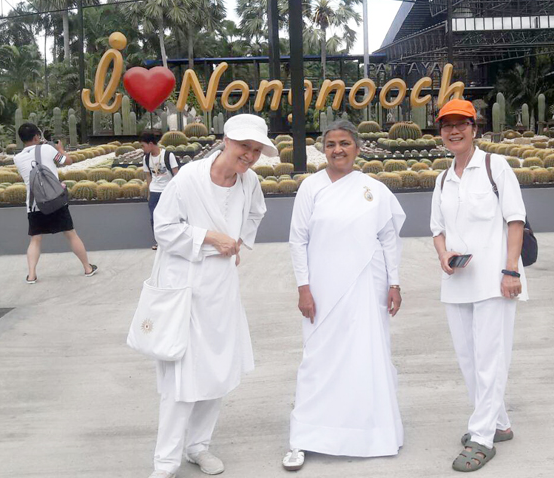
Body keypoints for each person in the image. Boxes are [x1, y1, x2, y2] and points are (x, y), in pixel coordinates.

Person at [148, 114, 277, 478]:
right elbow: (163, 228)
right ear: (226, 141)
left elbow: (256, 213)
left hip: (221, 287)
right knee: (180, 379)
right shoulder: (189, 178)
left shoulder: (249, 182)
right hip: (183, 286)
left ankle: (197, 446)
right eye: (244, 146)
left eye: (256, 150)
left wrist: (237, 243)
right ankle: (165, 463)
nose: (249, 155)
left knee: (217, 370)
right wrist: (210, 237)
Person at [283, 119, 406, 471]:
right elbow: (298, 240)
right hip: (322, 289)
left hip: (368, 286)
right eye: (331, 144)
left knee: (367, 355)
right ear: (324, 149)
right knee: (317, 359)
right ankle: (305, 436)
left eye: (344, 143)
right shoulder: (311, 188)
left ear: (357, 147)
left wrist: (394, 284)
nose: (338, 150)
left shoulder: (374, 189)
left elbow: (388, 239)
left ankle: (373, 434)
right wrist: (304, 287)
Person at [429, 99, 527, 472]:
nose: (454, 131)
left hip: (494, 281)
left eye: (461, 124)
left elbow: (515, 220)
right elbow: (437, 229)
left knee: (490, 359)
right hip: (457, 281)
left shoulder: (494, 166)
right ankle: (498, 423)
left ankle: (482, 436)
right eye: (447, 125)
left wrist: (511, 271)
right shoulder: (442, 179)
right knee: (469, 359)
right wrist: (443, 255)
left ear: (474, 128)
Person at [13, 122, 97, 284]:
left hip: (34, 203)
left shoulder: (17, 158)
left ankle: (31, 275)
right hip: (55, 200)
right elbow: (67, 161)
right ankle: (87, 268)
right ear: (36, 136)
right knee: (70, 233)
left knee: (35, 239)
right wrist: (60, 149)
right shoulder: (47, 149)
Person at [140, 130, 179, 250]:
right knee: (154, 218)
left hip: (168, 191)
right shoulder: (146, 158)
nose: (142, 149)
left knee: (171, 218)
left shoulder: (168, 155)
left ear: (151, 144)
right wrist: (149, 192)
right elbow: (148, 176)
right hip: (154, 192)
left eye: (143, 146)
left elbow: (176, 174)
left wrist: (177, 191)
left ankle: (172, 241)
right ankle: (159, 242)